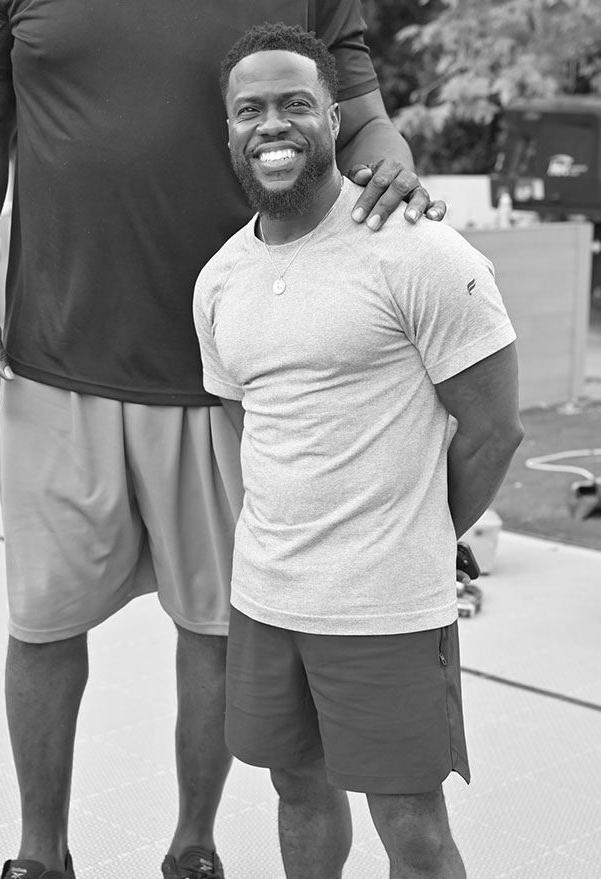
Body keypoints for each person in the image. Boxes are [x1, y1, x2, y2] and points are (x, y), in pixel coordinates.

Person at [0, 4, 447, 878]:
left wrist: (392, 178)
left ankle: (194, 848)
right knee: (43, 624)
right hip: (57, 357)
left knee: (214, 630)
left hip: (231, 368)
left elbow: (360, 122)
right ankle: (38, 857)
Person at [193, 23, 524, 879]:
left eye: (296, 104)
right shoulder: (219, 279)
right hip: (267, 600)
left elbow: (494, 429)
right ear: (227, 129)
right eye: (250, 110)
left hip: (385, 611)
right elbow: (245, 425)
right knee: (297, 794)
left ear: (335, 119)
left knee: (412, 828)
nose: (273, 125)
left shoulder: (418, 250)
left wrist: (418, 534)